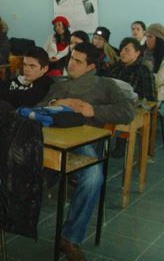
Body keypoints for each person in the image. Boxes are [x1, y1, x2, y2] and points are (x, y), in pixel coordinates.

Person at [35, 42, 135, 261]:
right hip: (47, 138)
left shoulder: (104, 85)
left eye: (78, 61)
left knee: (93, 177)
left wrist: (94, 110)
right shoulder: (59, 83)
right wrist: (56, 101)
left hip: (81, 141)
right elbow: (39, 106)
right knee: (10, 158)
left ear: (91, 67)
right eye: (71, 58)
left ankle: (70, 237)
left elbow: (128, 110)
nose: (71, 64)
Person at [106, 37, 156, 157]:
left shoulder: (143, 70)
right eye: (122, 50)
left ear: (137, 53)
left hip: (132, 106)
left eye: (127, 50)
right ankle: (100, 142)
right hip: (110, 103)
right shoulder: (115, 68)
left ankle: (119, 144)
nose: (122, 53)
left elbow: (150, 98)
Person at [141, 23, 164, 103]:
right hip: (139, 86)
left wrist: (141, 76)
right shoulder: (142, 51)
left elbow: (159, 79)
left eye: (150, 37)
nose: (147, 39)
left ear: (158, 39)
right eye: (146, 36)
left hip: (155, 89)